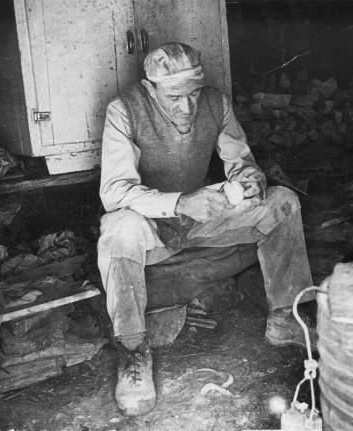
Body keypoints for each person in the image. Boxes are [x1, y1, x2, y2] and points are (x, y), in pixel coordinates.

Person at [97, 42, 315, 417]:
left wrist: (249, 178)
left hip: (199, 216)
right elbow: (114, 192)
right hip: (150, 221)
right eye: (175, 96)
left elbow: (239, 158)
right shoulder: (124, 110)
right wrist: (180, 202)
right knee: (118, 230)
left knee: (281, 202)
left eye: (194, 92)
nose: (187, 106)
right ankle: (133, 354)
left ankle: (285, 318)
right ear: (152, 89)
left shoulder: (216, 103)